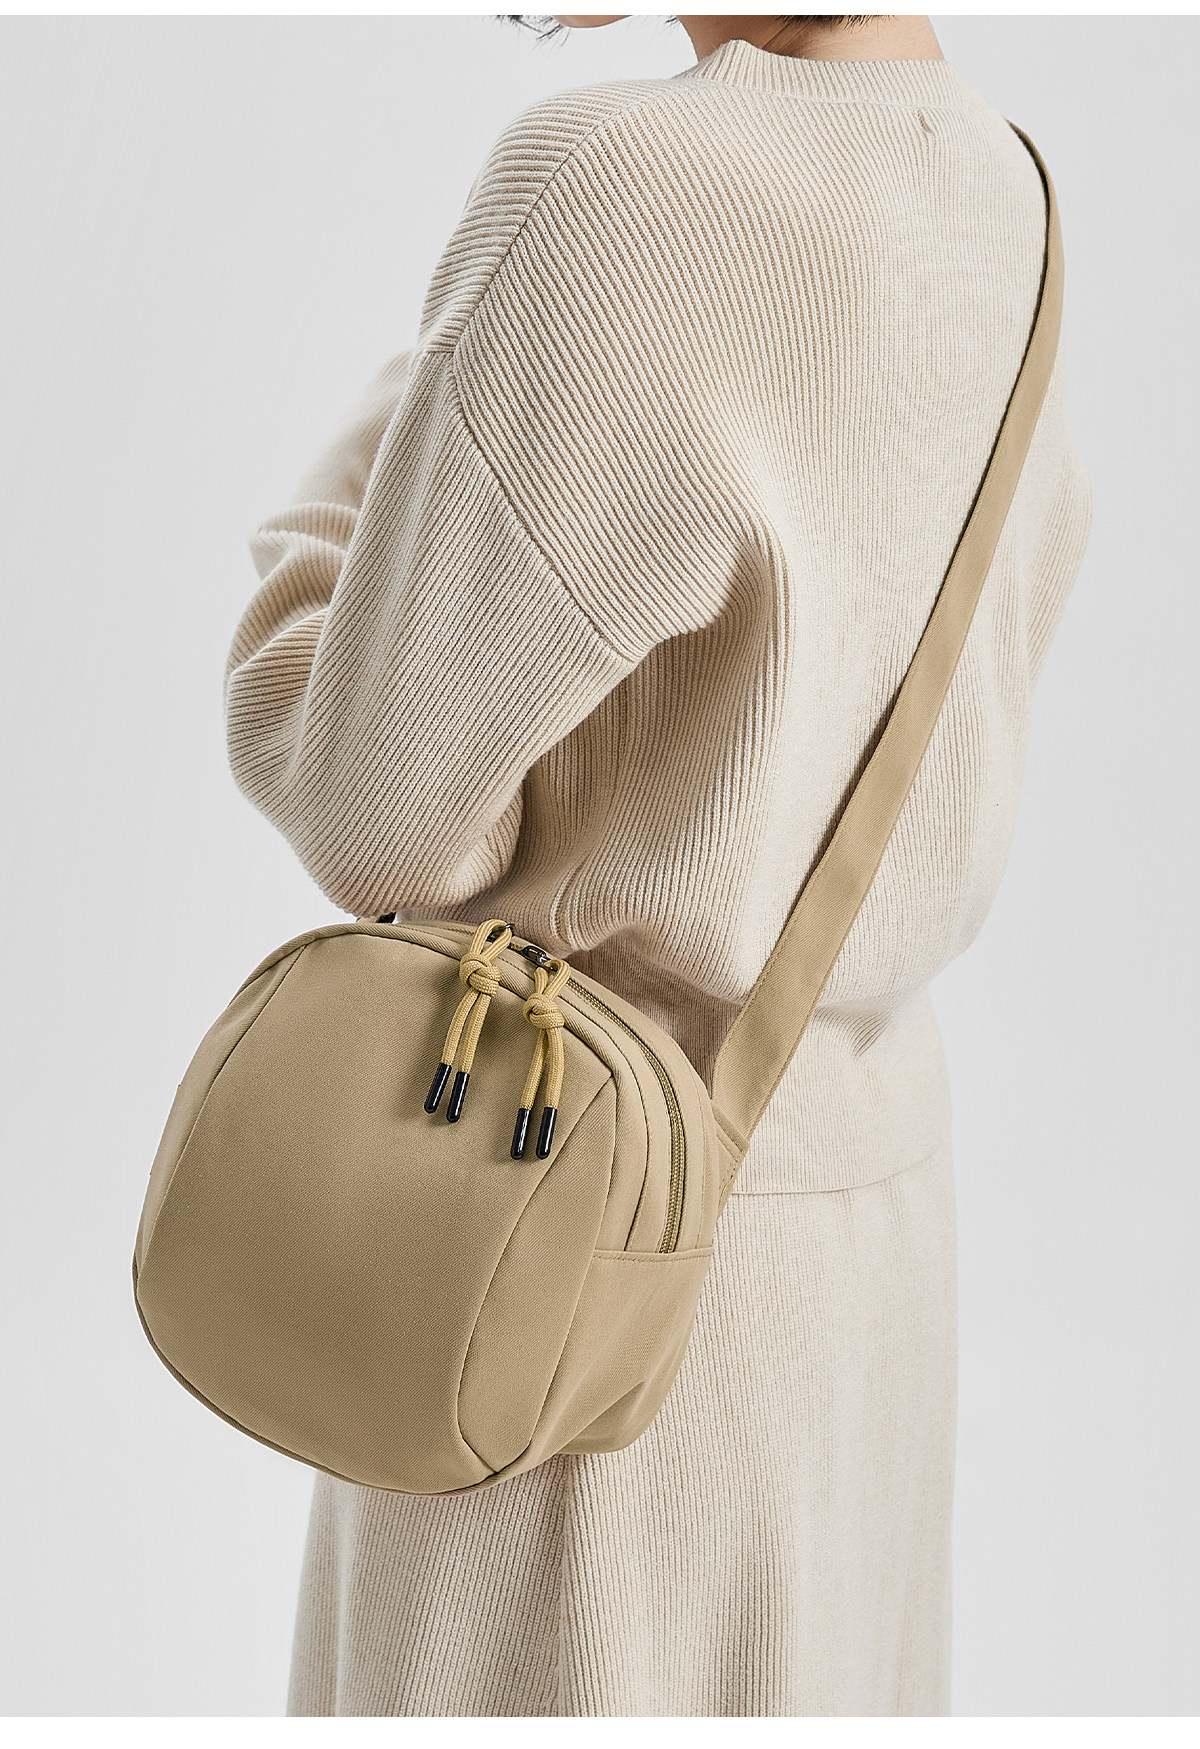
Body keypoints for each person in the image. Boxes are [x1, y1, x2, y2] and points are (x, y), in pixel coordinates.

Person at [224, 12, 1092, 1718]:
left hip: (555, 1225)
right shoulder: (1015, 199)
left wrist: (335, 530)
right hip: (858, 1247)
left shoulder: (618, 184)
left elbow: (368, 807)